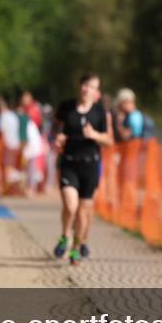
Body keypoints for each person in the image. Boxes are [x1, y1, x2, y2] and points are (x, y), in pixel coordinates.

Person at [52, 73, 114, 264]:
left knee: (83, 212)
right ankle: (64, 236)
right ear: (80, 86)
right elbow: (56, 128)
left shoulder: (100, 113)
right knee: (70, 206)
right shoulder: (66, 107)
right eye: (85, 85)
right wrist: (58, 137)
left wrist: (94, 135)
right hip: (69, 163)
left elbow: (109, 141)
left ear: (97, 92)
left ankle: (76, 248)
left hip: (90, 165)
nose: (87, 89)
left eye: (92, 87)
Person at [0, 95, 22, 194]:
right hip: (16, 144)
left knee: (7, 167)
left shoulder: (3, 116)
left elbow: (2, 133)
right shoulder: (13, 115)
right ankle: (14, 187)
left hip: (8, 145)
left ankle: (9, 189)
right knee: (13, 166)